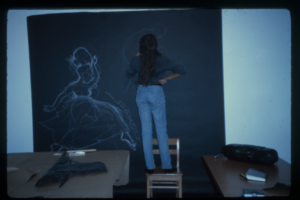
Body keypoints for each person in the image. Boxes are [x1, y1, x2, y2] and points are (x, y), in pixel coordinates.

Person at [126, 34, 186, 173]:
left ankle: (149, 167)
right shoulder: (163, 59)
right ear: (155, 45)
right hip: (156, 92)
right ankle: (167, 167)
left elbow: (129, 74)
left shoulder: (136, 59)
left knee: (146, 131)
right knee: (161, 131)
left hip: (141, 93)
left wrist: (136, 57)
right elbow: (181, 70)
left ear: (141, 45)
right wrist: (166, 79)